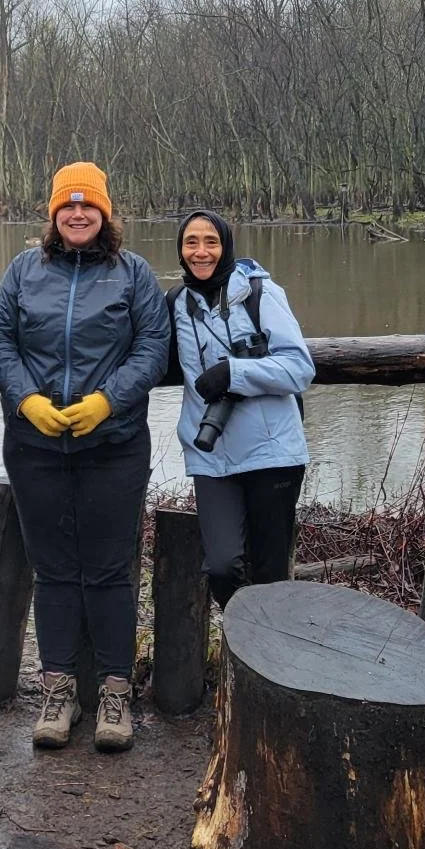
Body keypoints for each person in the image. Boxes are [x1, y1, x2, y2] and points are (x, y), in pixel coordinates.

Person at [0, 162, 169, 753]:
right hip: (36, 446)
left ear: (105, 212)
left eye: (88, 205)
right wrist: (25, 400)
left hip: (112, 445)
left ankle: (115, 692)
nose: (78, 213)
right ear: (53, 214)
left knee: (112, 567)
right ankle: (59, 688)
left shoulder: (132, 273)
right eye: (67, 205)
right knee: (55, 568)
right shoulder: (24, 270)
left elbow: (152, 346)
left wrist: (106, 401)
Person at [166, 210, 315, 608]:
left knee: (269, 574)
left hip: (271, 452)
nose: (201, 252)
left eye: (211, 242)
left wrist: (234, 373)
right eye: (191, 242)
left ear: (226, 245)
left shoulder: (259, 293)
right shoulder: (177, 303)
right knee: (221, 566)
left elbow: (300, 368)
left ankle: (269, 654)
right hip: (209, 451)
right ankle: (245, 633)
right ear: (180, 250)